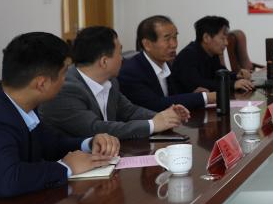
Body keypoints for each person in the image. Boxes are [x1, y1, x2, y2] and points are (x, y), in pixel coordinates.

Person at [0, 32, 119, 204]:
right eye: (64, 73)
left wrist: (89, 143)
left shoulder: (18, 100)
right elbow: (9, 180)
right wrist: (66, 168)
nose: (66, 80)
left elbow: (50, 143)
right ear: (42, 84)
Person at [40, 26, 188, 140]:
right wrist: (153, 124)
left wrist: (166, 117)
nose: (122, 59)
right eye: (119, 53)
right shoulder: (66, 88)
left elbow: (130, 111)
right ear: (104, 61)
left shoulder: (109, 81)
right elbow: (95, 128)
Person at [118, 14, 215, 111]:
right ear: (147, 44)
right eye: (167, 39)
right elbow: (155, 104)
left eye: (175, 37)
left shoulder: (167, 64)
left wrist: (194, 95)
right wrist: (205, 97)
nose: (174, 44)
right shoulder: (131, 72)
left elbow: (172, 98)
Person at [172, 15, 253, 94]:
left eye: (226, 38)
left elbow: (220, 73)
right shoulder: (188, 56)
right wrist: (232, 84)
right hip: (183, 102)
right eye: (222, 38)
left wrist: (237, 75)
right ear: (206, 38)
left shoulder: (212, 53)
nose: (226, 43)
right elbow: (198, 84)